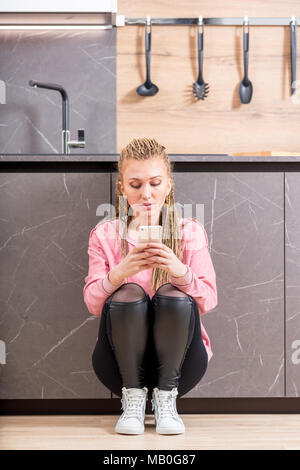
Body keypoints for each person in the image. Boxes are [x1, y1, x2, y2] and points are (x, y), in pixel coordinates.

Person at [83, 137, 218, 435]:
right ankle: (132, 398)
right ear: (122, 189)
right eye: (135, 185)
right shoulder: (105, 234)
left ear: (168, 185)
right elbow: (93, 305)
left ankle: (166, 400)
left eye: (155, 183)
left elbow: (208, 300)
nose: (146, 194)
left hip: (182, 364)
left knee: (171, 294)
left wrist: (179, 271)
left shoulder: (189, 232)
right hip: (119, 364)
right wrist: (119, 274)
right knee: (129, 293)